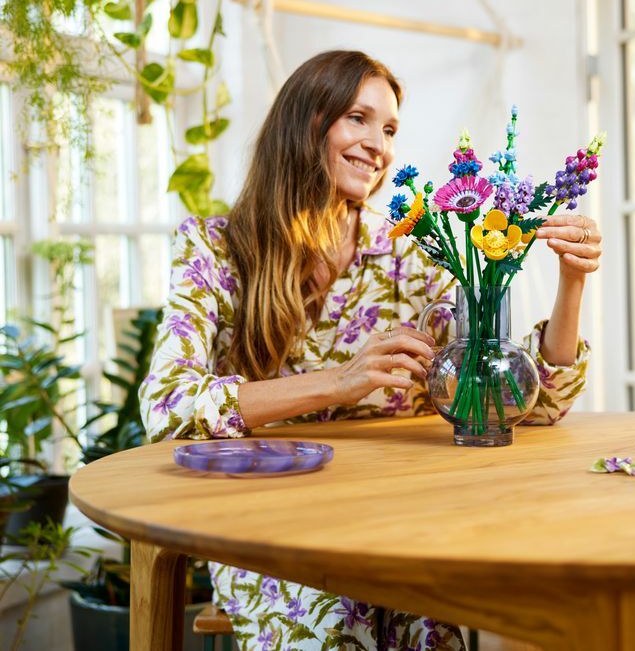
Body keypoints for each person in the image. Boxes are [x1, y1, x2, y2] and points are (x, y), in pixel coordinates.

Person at [140, 50, 603, 650]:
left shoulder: (412, 251)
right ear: (305, 123)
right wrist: (339, 382)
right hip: (267, 525)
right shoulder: (212, 249)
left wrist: (572, 281)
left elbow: (522, 405)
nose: (378, 145)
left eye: (388, 129)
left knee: (432, 625)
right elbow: (167, 408)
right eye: (358, 119)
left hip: (394, 519)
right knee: (331, 626)